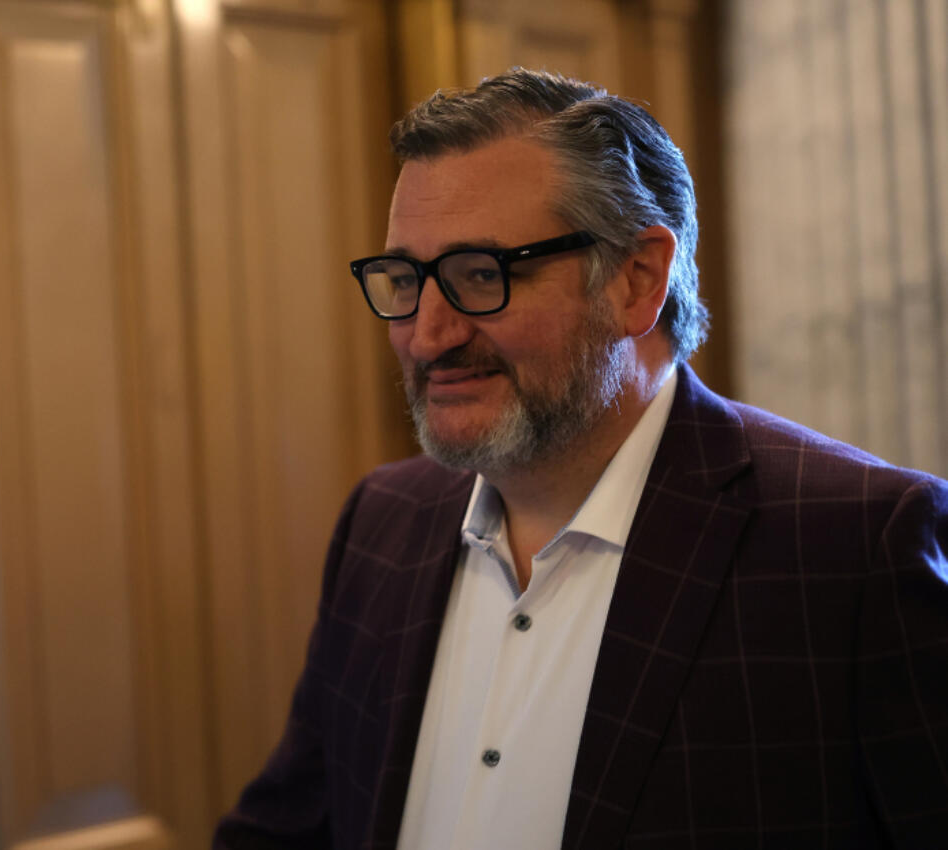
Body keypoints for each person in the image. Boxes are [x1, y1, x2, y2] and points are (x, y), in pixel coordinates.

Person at [212, 68, 948, 849]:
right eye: (406, 279)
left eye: (479, 276)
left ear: (638, 280)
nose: (428, 335)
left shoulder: (855, 548)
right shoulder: (381, 524)